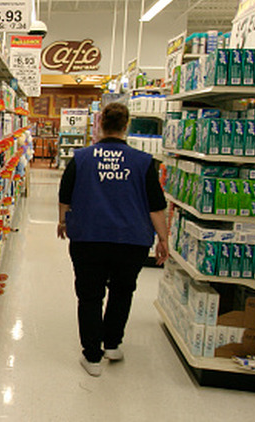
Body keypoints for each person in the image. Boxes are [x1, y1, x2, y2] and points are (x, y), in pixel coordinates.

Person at [57, 103, 168, 377]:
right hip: (131, 239)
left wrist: (63, 221)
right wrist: (163, 239)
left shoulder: (81, 158)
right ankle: (112, 344)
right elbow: (156, 206)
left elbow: (65, 195)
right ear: (126, 126)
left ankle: (92, 357)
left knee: (90, 295)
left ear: (100, 125)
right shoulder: (144, 162)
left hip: (88, 237)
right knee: (122, 291)